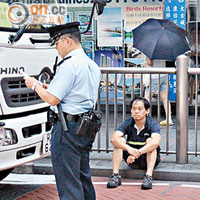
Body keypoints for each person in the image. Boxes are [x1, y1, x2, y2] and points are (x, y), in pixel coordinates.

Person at [24, 22, 101, 200]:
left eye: (57, 44)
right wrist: (50, 87)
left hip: (68, 129)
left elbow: (52, 99)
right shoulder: (92, 65)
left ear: (67, 41)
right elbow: (76, 91)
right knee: (83, 178)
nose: (56, 49)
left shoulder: (69, 65)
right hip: (86, 127)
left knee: (68, 182)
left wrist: (34, 85)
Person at [107, 97, 161, 190]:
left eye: (140, 109)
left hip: (146, 158)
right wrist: (129, 149)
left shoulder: (152, 124)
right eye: (134, 108)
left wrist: (137, 153)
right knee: (120, 141)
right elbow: (113, 139)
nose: (136, 111)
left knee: (150, 142)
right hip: (130, 159)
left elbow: (156, 142)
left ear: (147, 111)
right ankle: (115, 175)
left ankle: (148, 176)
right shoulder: (127, 123)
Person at [144, 57, 174, 126]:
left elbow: (150, 63)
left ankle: (144, 118)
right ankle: (169, 119)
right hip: (164, 74)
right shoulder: (164, 50)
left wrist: (147, 60)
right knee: (165, 98)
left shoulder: (152, 51)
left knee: (147, 97)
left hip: (155, 76)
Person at [188, 28, 200, 104]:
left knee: (195, 83)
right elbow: (191, 54)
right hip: (194, 65)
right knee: (192, 83)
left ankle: (192, 99)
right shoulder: (193, 44)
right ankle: (191, 99)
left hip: (198, 65)